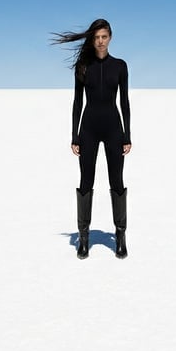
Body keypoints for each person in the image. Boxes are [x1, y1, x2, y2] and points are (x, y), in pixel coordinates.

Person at [50, 18, 132, 259]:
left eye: (104, 37)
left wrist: (127, 134)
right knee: (86, 181)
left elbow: (124, 102)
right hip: (88, 129)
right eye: (96, 37)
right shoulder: (83, 66)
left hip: (114, 128)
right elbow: (77, 102)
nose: (100, 41)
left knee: (117, 180)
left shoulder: (120, 66)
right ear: (92, 39)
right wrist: (74, 135)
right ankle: (83, 238)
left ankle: (120, 236)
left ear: (110, 37)